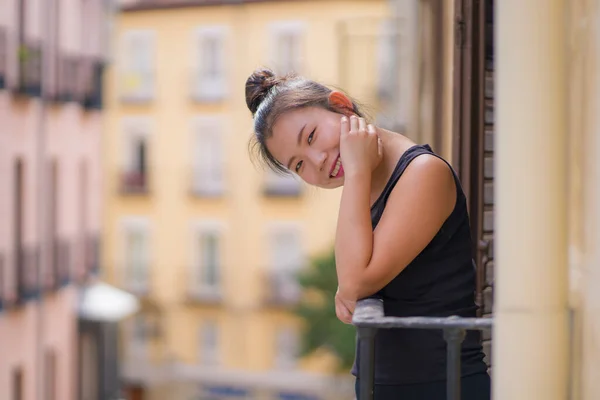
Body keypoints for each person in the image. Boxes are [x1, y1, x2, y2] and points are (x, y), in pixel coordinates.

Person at [245, 68, 491, 400]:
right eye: (299, 165)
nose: (316, 161)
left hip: (443, 387)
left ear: (342, 106)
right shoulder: (366, 189)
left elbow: (354, 283)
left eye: (312, 136)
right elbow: (351, 281)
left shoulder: (423, 173)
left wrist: (358, 171)